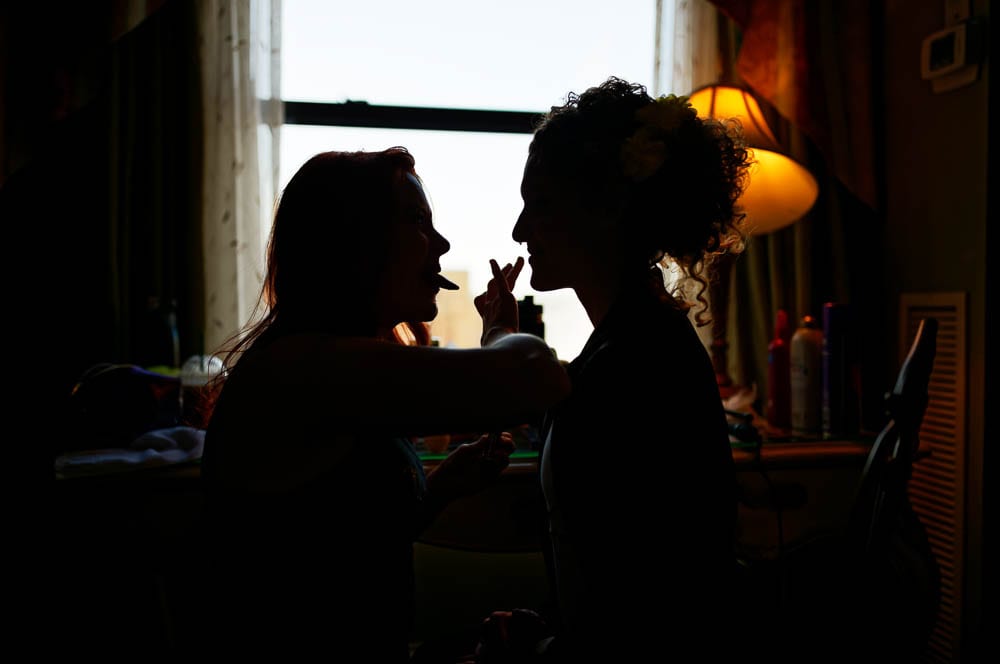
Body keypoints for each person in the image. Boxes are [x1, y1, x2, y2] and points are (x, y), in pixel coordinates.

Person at [192, 147, 571, 661]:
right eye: (418, 221)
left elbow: (337, 546)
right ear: (351, 241)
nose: (441, 243)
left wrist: (438, 490)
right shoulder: (310, 367)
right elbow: (533, 375)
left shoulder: (326, 360)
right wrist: (501, 331)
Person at [466, 76, 754, 662]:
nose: (520, 230)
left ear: (605, 209)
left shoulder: (633, 367)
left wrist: (536, 646)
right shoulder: (638, 341)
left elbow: (641, 622)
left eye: (538, 203)